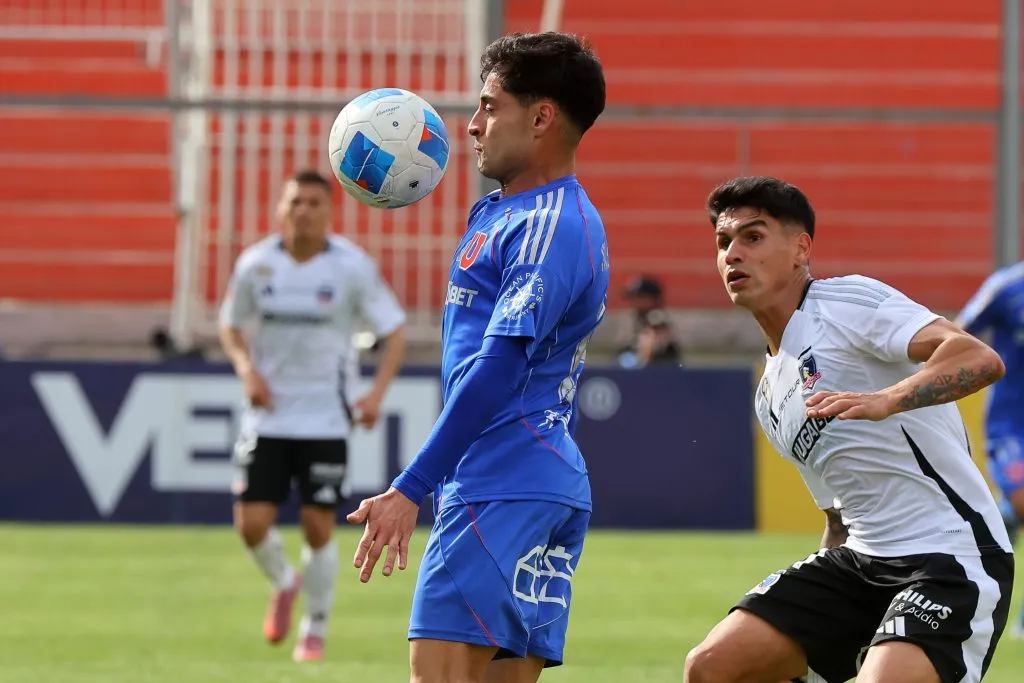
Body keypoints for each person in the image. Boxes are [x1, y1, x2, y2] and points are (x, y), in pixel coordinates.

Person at [344, 31, 609, 683]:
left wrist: (411, 487)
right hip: (526, 481)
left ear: (541, 117)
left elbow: (499, 369)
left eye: (490, 107)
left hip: (503, 483)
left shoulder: (549, 225)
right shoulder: (505, 212)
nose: (471, 126)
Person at [684, 176, 1014, 683]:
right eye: (723, 242)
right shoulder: (769, 396)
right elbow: (837, 516)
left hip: (951, 557)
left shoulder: (843, 304)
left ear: (801, 249)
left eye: (753, 237)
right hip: (860, 563)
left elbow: (979, 357)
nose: (733, 254)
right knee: (712, 667)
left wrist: (887, 399)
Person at [219, 169, 407, 662]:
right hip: (268, 417)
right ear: (280, 208)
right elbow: (230, 326)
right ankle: (285, 581)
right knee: (251, 525)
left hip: (326, 418)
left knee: (317, 526)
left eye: (313, 203)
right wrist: (246, 371)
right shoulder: (255, 265)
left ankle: (314, 629)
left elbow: (395, 333)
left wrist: (375, 396)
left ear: (329, 211)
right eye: (294, 202)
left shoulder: (352, 267)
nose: (302, 210)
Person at [956, 260, 1024, 639]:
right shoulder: (1007, 287)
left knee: (1014, 511)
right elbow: (957, 334)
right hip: (1012, 424)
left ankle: (1004, 517)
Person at [616, 275, 682, 368]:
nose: (634, 301)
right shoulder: (633, 319)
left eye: (639, 297)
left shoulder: (659, 319)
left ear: (653, 299)